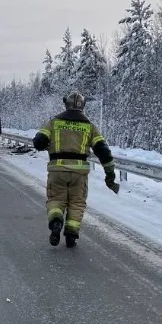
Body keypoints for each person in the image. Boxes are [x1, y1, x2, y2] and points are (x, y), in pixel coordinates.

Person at [32, 91, 119, 248]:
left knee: (56, 199)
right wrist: (110, 173)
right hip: (79, 173)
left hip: (57, 170)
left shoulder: (54, 122)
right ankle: (71, 234)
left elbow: (38, 142)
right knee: (77, 202)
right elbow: (103, 151)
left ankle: (56, 220)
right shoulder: (89, 126)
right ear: (83, 106)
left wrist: (47, 145)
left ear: (66, 104)